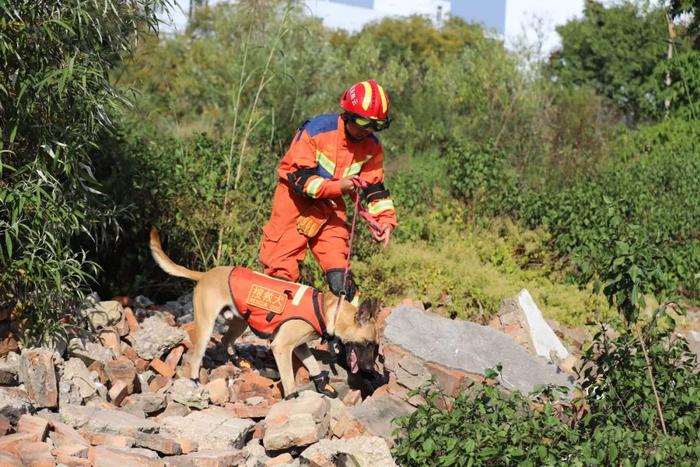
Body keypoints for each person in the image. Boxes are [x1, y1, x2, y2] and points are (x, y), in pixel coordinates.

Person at [259, 79, 398, 306]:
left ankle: (351, 335)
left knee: (339, 275)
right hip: (294, 204)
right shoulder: (316, 131)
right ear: (348, 114)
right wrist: (338, 187)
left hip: (330, 209)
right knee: (280, 271)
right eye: (364, 122)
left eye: (377, 125)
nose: (368, 130)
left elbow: (374, 187)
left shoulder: (372, 146)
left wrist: (385, 221)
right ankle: (277, 335)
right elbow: (300, 179)